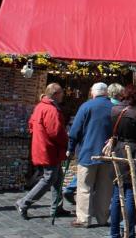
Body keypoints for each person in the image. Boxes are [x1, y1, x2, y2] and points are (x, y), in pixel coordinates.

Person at [16, 83, 70, 219]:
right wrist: (67, 142)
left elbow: (31, 124)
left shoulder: (40, 106)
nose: (63, 95)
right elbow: (55, 132)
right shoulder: (51, 110)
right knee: (50, 177)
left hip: (44, 146)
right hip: (49, 149)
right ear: (55, 94)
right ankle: (24, 202)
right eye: (61, 92)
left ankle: (56, 207)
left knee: (57, 178)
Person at [67, 82, 114, 228]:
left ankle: (83, 219)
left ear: (93, 93)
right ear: (106, 93)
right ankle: (102, 218)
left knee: (84, 187)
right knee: (105, 189)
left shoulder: (86, 106)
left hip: (88, 152)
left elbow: (75, 130)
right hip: (107, 155)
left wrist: (70, 147)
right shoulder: (114, 108)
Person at [109, 85, 136, 238]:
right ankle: (129, 232)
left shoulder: (114, 109)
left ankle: (114, 232)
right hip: (130, 151)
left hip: (117, 149)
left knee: (117, 193)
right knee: (131, 192)